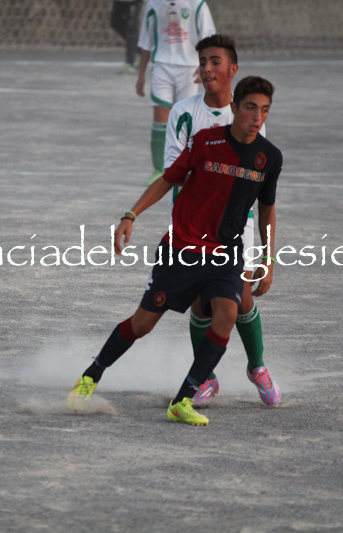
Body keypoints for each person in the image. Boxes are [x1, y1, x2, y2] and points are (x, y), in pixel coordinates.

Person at [68, 77, 282, 425]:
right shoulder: (206, 141)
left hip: (226, 252)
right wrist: (131, 214)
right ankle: (90, 376)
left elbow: (267, 209)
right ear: (234, 108)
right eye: (250, 108)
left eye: (265, 110)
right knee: (142, 324)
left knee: (227, 314)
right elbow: (168, 178)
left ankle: (183, 400)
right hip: (183, 248)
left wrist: (268, 259)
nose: (257, 117)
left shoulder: (269, 158)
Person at [164, 34, 277, 407]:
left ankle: (257, 367)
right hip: (194, 224)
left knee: (240, 297)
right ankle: (206, 378)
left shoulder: (247, 114)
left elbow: (258, 182)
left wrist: (268, 255)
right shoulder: (184, 112)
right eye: (203, 62)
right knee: (201, 302)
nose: (207, 69)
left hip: (237, 224)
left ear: (233, 69)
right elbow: (174, 172)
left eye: (215, 62)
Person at [135, 0, 216, 184]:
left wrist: (204, 67)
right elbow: (146, 42)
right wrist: (141, 75)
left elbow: (209, 39)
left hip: (189, 68)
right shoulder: (154, 5)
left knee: (187, 119)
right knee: (160, 113)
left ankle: (189, 167)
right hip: (162, 65)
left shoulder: (197, 4)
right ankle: (159, 170)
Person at [110, 0, 144, 73]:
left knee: (131, 28)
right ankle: (142, 51)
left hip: (133, 2)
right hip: (120, 2)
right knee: (115, 23)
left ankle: (130, 64)